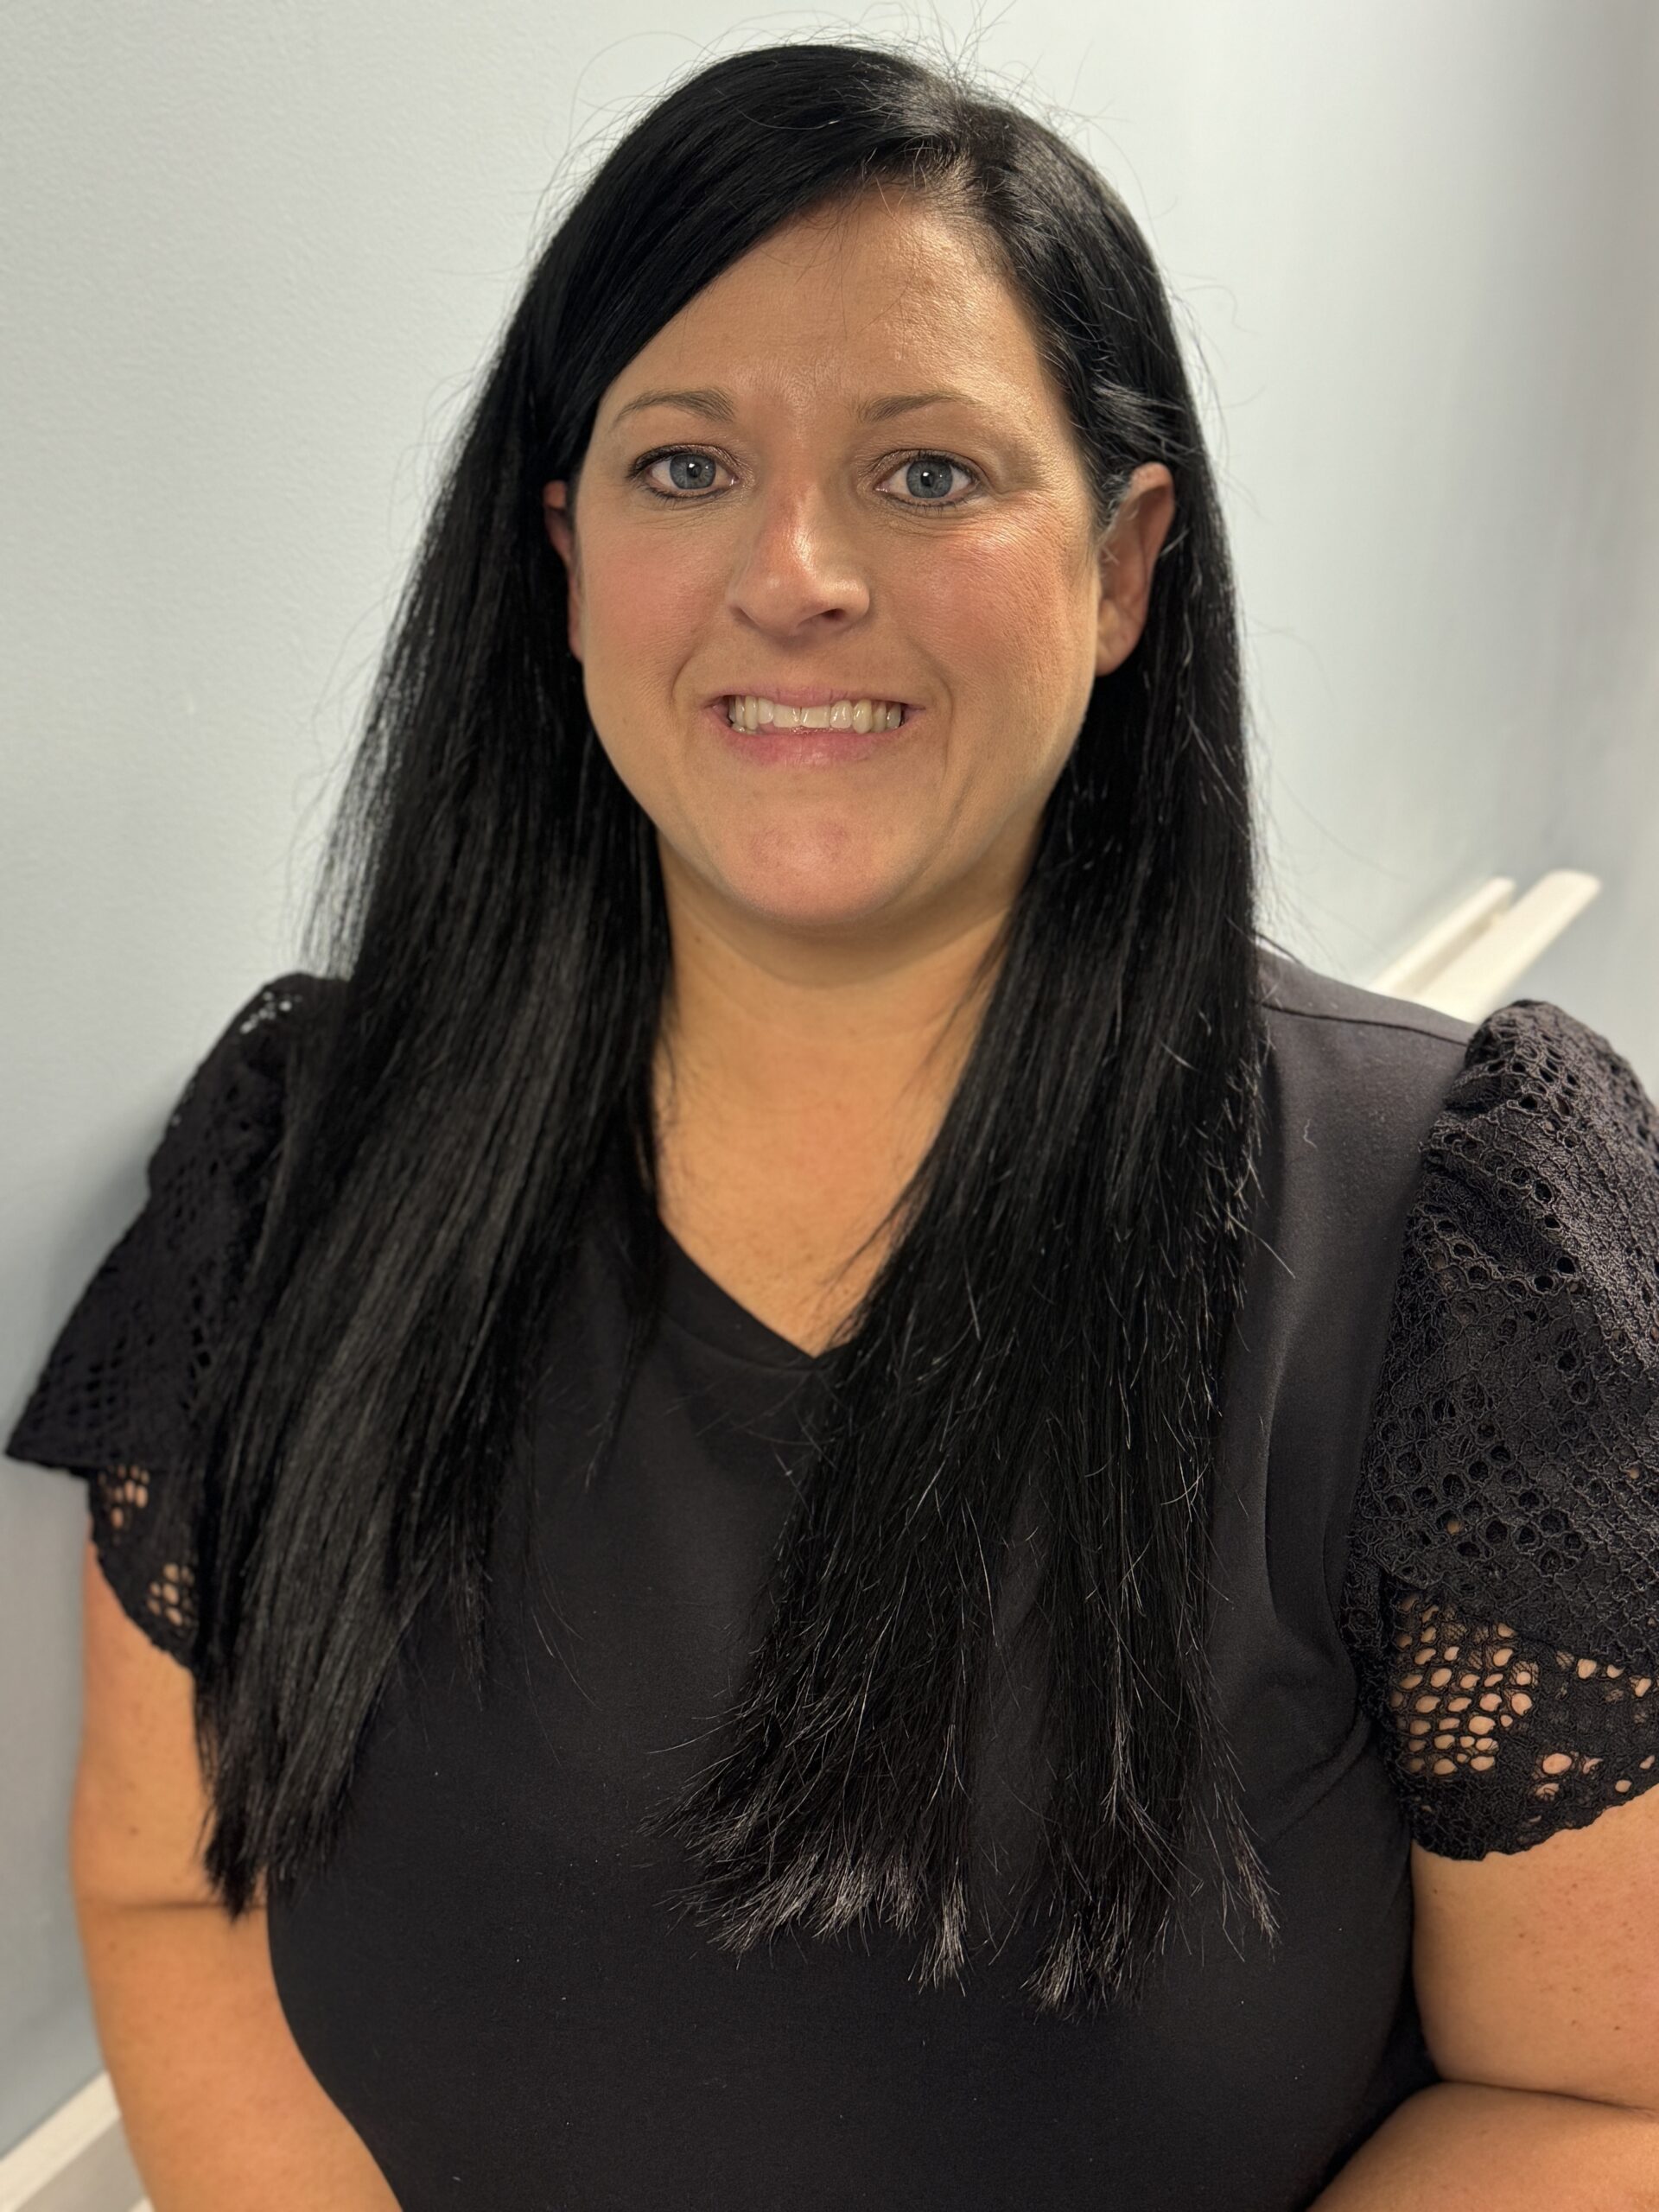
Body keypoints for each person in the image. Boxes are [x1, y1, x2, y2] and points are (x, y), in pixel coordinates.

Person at [9, 36, 1659, 2212]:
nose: (793, 571)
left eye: (930, 473)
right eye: (684, 466)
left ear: (1127, 562)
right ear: (565, 551)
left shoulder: (1446, 1246)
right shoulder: (305, 1165)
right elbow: (166, 1883)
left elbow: (1594, 2094)